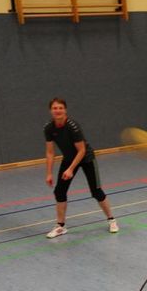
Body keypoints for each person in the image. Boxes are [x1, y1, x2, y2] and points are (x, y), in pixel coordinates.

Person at [43, 98, 118, 237]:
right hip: (69, 158)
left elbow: (82, 150)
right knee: (59, 191)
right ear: (50, 110)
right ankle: (60, 226)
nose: (58, 110)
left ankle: (111, 220)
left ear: (65, 110)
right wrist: (49, 173)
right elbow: (50, 152)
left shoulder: (72, 126)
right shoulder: (49, 128)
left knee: (96, 191)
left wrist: (71, 169)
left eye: (60, 108)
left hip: (86, 158)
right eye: (55, 108)